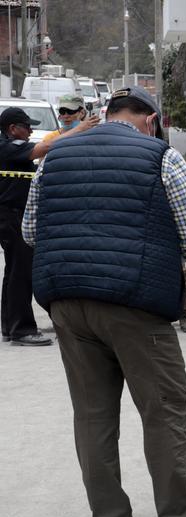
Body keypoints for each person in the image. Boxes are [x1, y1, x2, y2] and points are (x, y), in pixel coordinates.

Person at [23, 86, 186, 517]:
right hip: (134, 304)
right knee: (165, 411)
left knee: (93, 416)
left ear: (107, 114)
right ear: (151, 119)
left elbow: (30, 231)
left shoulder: (55, 156)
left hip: (66, 302)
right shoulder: (161, 156)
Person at [1, 107, 94, 346]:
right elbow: (45, 147)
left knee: (13, 272)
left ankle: (10, 326)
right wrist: (80, 129)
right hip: (11, 215)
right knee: (21, 273)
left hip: (12, 214)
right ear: (13, 129)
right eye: (27, 127)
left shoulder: (11, 146)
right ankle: (22, 330)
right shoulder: (8, 146)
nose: (31, 131)